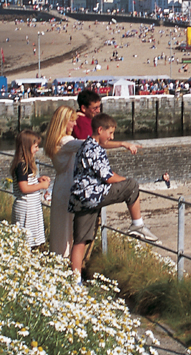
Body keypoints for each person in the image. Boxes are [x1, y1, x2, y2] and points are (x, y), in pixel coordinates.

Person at [68, 113, 159, 286]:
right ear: (100, 130)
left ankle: (75, 281)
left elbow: (105, 148)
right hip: (92, 196)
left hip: (79, 198)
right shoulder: (94, 149)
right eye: (110, 133)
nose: (112, 137)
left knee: (79, 241)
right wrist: (124, 181)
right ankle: (137, 225)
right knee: (132, 185)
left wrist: (123, 144)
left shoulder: (86, 144)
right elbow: (108, 177)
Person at [43, 107, 81, 258]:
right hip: (68, 186)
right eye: (71, 121)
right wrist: (121, 144)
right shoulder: (66, 141)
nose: (74, 125)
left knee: (59, 228)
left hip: (60, 185)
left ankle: (58, 260)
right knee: (68, 229)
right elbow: (88, 144)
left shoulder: (55, 140)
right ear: (63, 122)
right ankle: (67, 262)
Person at [11, 129, 50, 249]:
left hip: (32, 206)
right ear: (27, 147)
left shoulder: (25, 164)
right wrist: (41, 186)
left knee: (32, 239)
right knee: (26, 240)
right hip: (26, 207)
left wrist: (37, 180)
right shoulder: (22, 165)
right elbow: (23, 187)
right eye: (36, 146)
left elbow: (26, 182)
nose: (37, 149)